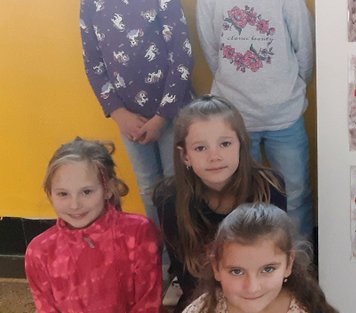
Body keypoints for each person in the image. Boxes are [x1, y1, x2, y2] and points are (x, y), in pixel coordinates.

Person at [196, 0, 314, 241]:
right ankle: (245, 257)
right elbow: (212, 50)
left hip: (284, 117)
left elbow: (305, 50)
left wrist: (289, 88)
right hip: (233, 120)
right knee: (239, 196)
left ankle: (298, 259)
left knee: (294, 193)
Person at [79, 0, 194, 225]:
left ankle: (181, 253)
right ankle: (155, 251)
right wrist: (118, 113)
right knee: (147, 187)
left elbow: (182, 58)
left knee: (177, 186)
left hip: (173, 114)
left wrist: (162, 117)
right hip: (128, 117)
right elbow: (93, 62)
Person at [155, 95, 287, 312]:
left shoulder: (269, 187)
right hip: (204, 298)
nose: (214, 156)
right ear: (185, 155)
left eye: (225, 144)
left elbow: (277, 259)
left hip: (260, 294)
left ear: (241, 145)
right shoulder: (169, 198)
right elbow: (186, 275)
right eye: (200, 148)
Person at [25, 139, 162, 312]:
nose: (75, 205)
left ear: (108, 189)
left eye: (86, 192)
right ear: (50, 194)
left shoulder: (137, 232)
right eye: (63, 194)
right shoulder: (39, 251)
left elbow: (148, 304)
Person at [182, 203, 339, 313]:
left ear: (289, 264)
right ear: (216, 267)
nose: (252, 287)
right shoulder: (201, 310)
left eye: (268, 269)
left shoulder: (307, 308)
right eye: (237, 271)